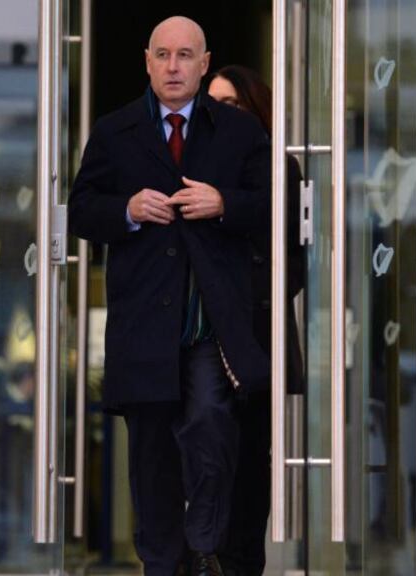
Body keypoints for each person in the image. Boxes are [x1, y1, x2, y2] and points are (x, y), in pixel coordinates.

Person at [68, 16, 271, 576]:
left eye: (186, 55)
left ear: (205, 64)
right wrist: (127, 211)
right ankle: (162, 564)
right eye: (163, 55)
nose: (174, 66)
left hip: (209, 324)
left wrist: (223, 202)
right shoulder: (115, 130)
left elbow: (273, 208)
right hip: (144, 327)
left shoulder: (238, 132)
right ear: (147, 61)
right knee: (152, 452)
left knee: (210, 422)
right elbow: (82, 210)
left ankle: (204, 544)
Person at [208, 65, 306, 576]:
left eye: (231, 105)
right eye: (213, 103)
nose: (218, 114)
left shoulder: (279, 169)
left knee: (248, 471)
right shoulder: (189, 165)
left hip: (254, 342)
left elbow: (292, 267)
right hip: (200, 342)